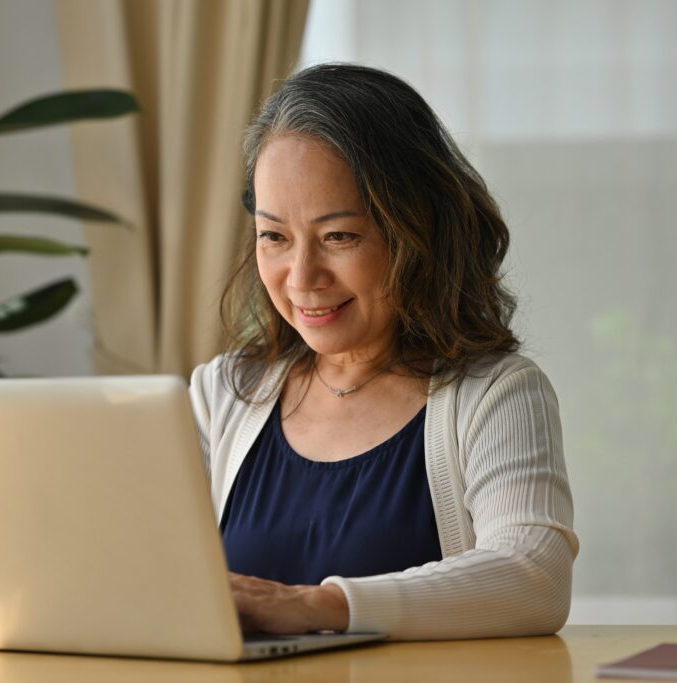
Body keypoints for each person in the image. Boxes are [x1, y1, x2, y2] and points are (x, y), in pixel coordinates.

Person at [189, 64, 578, 640]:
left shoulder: (496, 393)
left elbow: (534, 577)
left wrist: (316, 606)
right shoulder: (223, 393)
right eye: (274, 236)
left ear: (416, 234)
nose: (302, 277)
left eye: (339, 236)